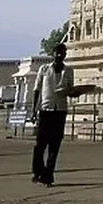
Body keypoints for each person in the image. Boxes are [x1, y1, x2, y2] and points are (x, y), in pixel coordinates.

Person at [31, 43, 74, 187]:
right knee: (40, 145)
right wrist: (33, 110)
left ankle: (48, 176)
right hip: (45, 110)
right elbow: (36, 90)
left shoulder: (68, 71)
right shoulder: (44, 69)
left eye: (63, 53)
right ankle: (37, 171)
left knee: (54, 146)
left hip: (60, 111)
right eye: (58, 53)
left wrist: (74, 93)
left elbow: (70, 90)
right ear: (53, 54)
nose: (60, 55)